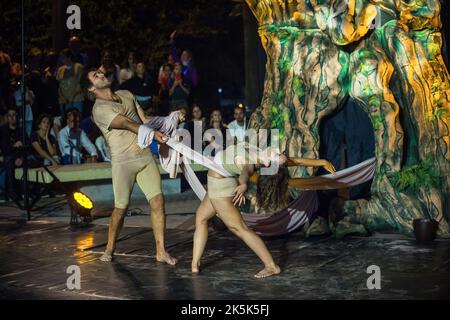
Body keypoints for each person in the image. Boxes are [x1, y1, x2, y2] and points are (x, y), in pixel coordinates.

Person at [191, 142, 337, 278]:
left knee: (239, 228)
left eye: (275, 154)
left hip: (221, 186)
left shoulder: (251, 161)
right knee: (201, 217)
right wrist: (322, 162)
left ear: (268, 164)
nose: (275, 150)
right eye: (278, 153)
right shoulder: (261, 155)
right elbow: (295, 161)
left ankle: (271, 265)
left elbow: (246, 171)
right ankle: (194, 265)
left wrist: (243, 184)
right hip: (217, 183)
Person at [81, 68, 177, 265]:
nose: (101, 74)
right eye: (95, 76)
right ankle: (109, 247)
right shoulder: (99, 109)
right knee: (120, 209)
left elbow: (145, 121)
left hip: (144, 157)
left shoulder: (126, 94)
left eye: (100, 72)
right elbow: (126, 123)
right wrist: (149, 133)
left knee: (158, 202)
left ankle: (161, 251)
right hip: (123, 163)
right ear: (91, 88)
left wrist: (171, 118)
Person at [0, 108, 24, 201]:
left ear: (17, 117)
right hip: (8, 156)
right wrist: (14, 145)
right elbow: (5, 148)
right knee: (9, 161)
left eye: (14, 115)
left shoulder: (21, 130)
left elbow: (26, 146)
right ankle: (11, 193)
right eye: (10, 115)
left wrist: (21, 158)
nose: (12, 117)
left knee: (32, 159)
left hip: (19, 156)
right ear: (7, 117)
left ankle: (29, 191)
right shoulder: (3, 130)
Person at [56, 49, 84, 115]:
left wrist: (72, 96)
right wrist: (62, 97)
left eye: (62, 57)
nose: (61, 59)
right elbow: (59, 84)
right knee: (66, 119)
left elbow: (81, 83)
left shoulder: (78, 67)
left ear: (69, 57)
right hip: (64, 100)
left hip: (76, 99)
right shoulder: (60, 69)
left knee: (77, 118)